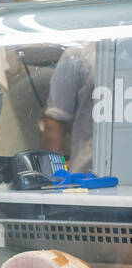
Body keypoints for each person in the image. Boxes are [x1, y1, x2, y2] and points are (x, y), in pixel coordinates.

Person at [41, 44, 96, 172]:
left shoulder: (80, 52)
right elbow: (55, 122)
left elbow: (55, 121)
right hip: (85, 175)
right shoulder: (79, 52)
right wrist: (52, 177)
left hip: (86, 174)